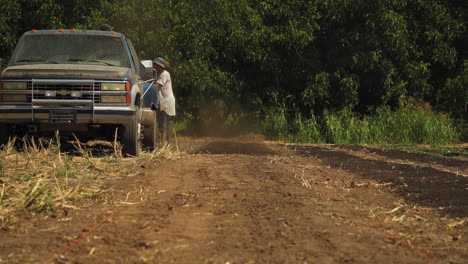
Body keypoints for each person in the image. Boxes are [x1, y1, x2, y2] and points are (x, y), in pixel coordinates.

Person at [153, 57, 175, 142]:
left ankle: (166, 142)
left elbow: (157, 85)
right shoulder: (158, 74)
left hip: (167, 102)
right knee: (161, 122)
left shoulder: (164, 74)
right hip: (162, 101)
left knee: (165, 123)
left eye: (154, 64)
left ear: (158, 65)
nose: (153, 66)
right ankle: (163, 141)